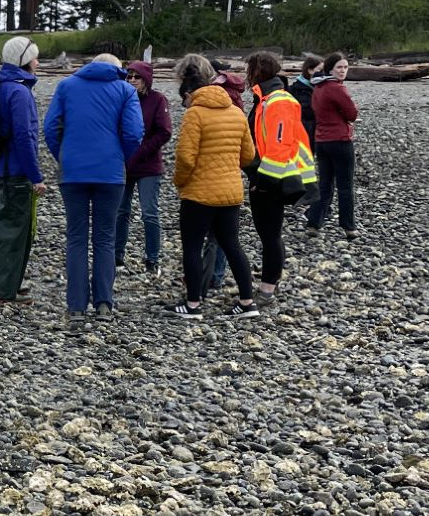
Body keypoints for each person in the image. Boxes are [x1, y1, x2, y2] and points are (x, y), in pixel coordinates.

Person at [41, 52, 143, 319]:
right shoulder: (125, 90)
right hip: (110, 171)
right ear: (117, 68)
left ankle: (76, 306)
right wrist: (121, 157)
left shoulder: (66, 86)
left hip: (73, 170)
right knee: (105, 238)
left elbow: (50, 128)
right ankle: (104, 303)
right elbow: (134, 133)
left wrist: (63, 155)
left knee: (76, 237)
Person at [169, 55, 257, 317]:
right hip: (230, 192)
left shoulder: (195, 114)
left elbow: (186, 157)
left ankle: (193, 304)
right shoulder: (235, 112)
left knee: (192, 247)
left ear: (189, 92)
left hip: (199, 193)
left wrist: (180, 182)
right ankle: (247, 302)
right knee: (232, 245)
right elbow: (248, 156)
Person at [245, 51, 316, 303]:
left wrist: (263, 183)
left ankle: (267, 288)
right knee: (269, 234)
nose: (246, 75)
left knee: (270, 234)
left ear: (256, 71)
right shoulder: (266, 99)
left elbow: (279, 145)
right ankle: (270, 283)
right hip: (270, 175)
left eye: (249, 69)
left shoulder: (278, 101)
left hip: (274, 179)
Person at [0, 36, 46, 305]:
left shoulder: (1, 85)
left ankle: (7, 283)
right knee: (13, 231)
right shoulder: (19, 91)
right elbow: (24, 137)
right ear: (23, 60)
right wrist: (36, 176)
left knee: (9, 229)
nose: (38, 62)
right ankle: (1, 291)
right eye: (34, 57)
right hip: (13, 172)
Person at [116, 60, 171, 279]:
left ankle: (152, 258)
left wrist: (141, 151)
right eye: (128, 76)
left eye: (135, 77)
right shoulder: (122, 98)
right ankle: (117, 255)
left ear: (145, 79)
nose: (131, 80)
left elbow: (164, 131)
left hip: (148, 165)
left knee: (149, 212)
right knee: (121, 211)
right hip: (124, 164)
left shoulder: (158, 100)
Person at [306, 51, 360, 238]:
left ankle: (314, 223)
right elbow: (352, 113)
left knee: (325, 184)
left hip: (322, 140)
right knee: (345, 186)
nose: (343, 71)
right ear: (330, 68)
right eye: (339, 67)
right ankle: (349, 226)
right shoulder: (337, 88)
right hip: (340, 140)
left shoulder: (318, 87)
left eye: (345, 67)